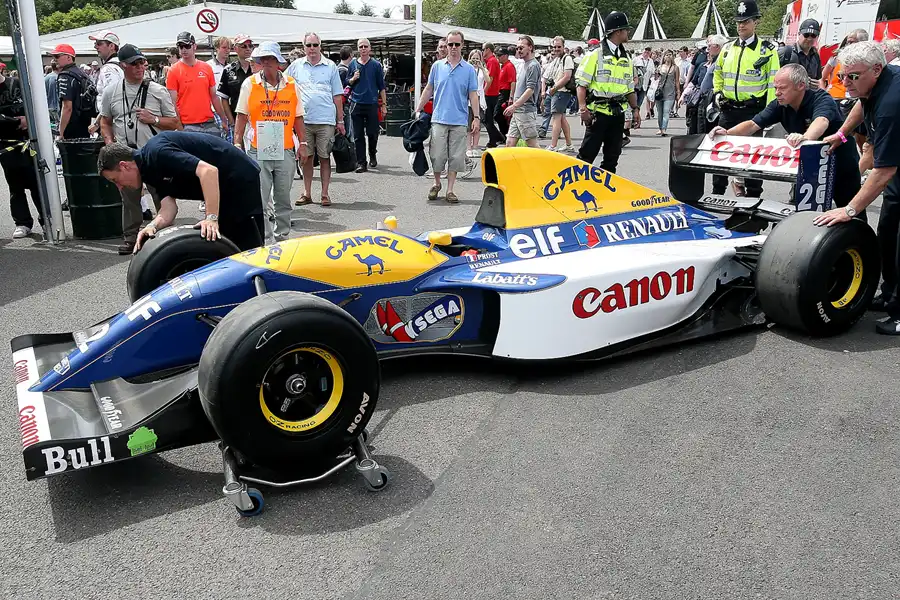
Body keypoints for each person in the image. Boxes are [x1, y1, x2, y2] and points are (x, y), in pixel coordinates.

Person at [813, 42, 900, 334]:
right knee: (887, 233)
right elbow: (862, 105)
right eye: (842, 76)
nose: (846, 83)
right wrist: (841, 133)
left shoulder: (891, 104)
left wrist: (849, 209)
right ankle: (891, 296)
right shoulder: (872, 86)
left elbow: (884, 169)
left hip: (895, 169)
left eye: (853, 77)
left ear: (877, 69)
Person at [709, 63, 862, 218]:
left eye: (782, 88)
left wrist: (805, 138)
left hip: (841, 161)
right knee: (808, 214)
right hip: (812, 166)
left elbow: (821, 121)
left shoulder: (821, 98)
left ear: (801, 86)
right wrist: (727, 133)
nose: (777, 93)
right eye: (775, 88)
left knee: (850, 211)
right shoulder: (780, 104)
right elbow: (753, 124)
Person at [98, 132, 265, 252]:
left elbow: (208, 172)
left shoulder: (157, 152)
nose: (119, 187)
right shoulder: (148, 171)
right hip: (224, 189)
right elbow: (169, 209)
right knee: (225, 249)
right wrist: (151, 226)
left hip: (239, 179)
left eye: (115, 180)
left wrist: (211, 218)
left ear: (124, 165)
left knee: (247, 251)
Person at [99, 44, 181, 254]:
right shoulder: (112, 91)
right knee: (129, 197)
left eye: (142, 62)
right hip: (125, 155)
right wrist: (110, 145)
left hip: (152, 155)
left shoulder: (157, 90)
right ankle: (131, 237)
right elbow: (105, 121)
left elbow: (174, 123)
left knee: (160, 195)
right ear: (123, 65)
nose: (140, 67)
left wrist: (153, 119)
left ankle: (165, 236)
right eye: (134, 63)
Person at [234, 41, 307, 243]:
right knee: (261, 198)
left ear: (278, 63)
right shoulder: (250, 84)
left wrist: (303, 143)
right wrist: (237, 143)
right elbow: (241, 115)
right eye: (262, 59)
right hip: (258, 148)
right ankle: (265, 240)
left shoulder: (291, 85)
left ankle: (282, 237)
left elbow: (298, 117)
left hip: (285, 148)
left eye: (270, 59)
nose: (265, 63)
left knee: (283, 197)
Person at [712, 0, 779, 198]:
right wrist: (717, 94)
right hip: (728, 109)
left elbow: (773, 83)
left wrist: (768, 115)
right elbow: (718, 74)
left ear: (755, 22)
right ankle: (717, 193)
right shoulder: (727, 49)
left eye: (746, 21)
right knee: (721, 155)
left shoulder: (767, 51)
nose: (741, 25)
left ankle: (753, 197)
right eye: (739, 21)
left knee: (753, 156)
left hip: (753, 112)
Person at [414, 29, 479, 204]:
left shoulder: (469, 70)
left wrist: (477, 117)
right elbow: (429, 89)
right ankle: (437, 184)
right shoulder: (437, 66)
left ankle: (450, 189)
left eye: (457, 44)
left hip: (459, 120)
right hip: (438, 118)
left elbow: (473, 95)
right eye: (450, 44)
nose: (453, 47)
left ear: (462, 45)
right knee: (436, 155)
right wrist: (418, 108)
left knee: (456, 157)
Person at [574, 11, 640, 172]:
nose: (628, 33)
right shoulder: (595, 55)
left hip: (618, 115)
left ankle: (604, 193)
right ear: (617, 32)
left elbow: (629, 88)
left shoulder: (627, 58)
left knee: (612, 158)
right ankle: (575, 191)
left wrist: (635, 109)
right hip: (598, 114)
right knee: (586, 157)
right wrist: (583, 109)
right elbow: (581, 84)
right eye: (626, 29)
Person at [287, 32, 344, 207]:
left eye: (315, 45)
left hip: (326, 119)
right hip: (303, 120)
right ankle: (307, 193)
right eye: (308, 45)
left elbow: (337, 95)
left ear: (320, 46)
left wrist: (340, 120)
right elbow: (284, 88)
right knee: (306, 157)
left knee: (325, 157)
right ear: (303, 47)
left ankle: (325, 194)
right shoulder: (296, 66)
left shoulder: (330, 66)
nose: (312, 49)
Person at [0, 70, 42, 238]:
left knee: (36, 182)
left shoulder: (17, 83)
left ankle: (47, 219)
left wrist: (27, 117)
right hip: (5, 143)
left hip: (27, 141)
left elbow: (35, 104)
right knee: (14, 185)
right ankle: (22, 222)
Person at [167, 31, 230, 139]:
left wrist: (224, 119)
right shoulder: (173, 71)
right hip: (187, 125)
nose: (183, 49)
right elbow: (172, 103)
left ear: (194, 46)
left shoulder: (206, 68)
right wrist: (179, 126)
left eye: (187, 46)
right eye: (180, 46)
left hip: (209, 122)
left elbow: (214, 97)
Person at [346, 38, 387, 172]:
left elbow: (381, 86)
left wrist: (384, 105)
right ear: (358, 49)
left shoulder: (376, 65)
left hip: (371, 103)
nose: (363, 49)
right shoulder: (352, 65)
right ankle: (361, 162)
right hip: (356, 103)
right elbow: (347, 82)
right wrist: (353, 78)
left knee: (372, 133)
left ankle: (372, 153)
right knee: (358, 135)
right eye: (360, 46)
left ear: (369, 48)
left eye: (365, 46)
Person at [503, 35, 541, 148]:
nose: (519, 50)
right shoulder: (524, 64)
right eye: (517, 48)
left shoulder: (533, 66)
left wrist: (514, 106)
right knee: (509, 143)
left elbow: (530, 89)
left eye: (521, 47)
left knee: (532, 144)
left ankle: (545, 165)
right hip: (519, 111)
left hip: (526, 111)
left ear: (530, 47)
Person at [54, 43, 96, 140]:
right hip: (85, 123)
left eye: (57, 56)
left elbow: (67, 107)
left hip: (71, 127)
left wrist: (60, 132)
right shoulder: (82, 74)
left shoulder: (65, 75)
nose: (54, 59)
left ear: (69, 57)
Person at [216, 34, 254, 139]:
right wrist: (231, 122)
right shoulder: (228, 70)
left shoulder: (258, 68)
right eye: (244, 46)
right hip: (237, 120)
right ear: (235, 48)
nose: (248, 49)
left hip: (257, 121)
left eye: (250, 46)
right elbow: (223, 98)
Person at [87, 31, 122, 136]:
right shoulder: (120, 64)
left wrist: (97, 123)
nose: (95, 47)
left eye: (99, 43)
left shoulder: (109, 68)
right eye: (95, 44)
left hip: (114, 123)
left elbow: (111, 99)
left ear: (111, 46)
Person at [544, 36, 575, 152]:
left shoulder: (567, 59)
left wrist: (554, 88)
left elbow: (567, 77)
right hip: (558, 91)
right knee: (561, 118)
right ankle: (569, 144)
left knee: (556, 118)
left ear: (563, 46)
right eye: (554, 47)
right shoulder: (557, 59)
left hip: (561, 92)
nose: (556, 49)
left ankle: (553, 145)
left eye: (558, 47)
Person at [466, 49, 490, 156]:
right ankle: (468, 147)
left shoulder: (483, 70)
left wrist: (481, 67)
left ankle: (475, 146)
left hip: (479, 98)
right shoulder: (467, 68)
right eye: (473, 58)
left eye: (477, 58)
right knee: (467, 124)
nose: (475, 60)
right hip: (467, 99)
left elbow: (488, 80)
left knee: (477, 124)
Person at [482, 43, 504, 148]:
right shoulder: (492, 61)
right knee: (487, 119)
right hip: (492, 93)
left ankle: (494, 139)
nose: (482, 52)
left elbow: (489, 78)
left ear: (488, 49)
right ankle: (496, 137)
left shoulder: (491, 61)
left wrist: (484, 91)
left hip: (490, 93)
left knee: (487, 119)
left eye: (483, 49)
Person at [654, 50, 681, 136]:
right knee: (660, 112)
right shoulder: (660, 67)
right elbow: (655, 79)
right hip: (659, 92)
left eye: (670, 55)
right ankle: (660, 128)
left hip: (670, 92)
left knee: (666, 111)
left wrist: (678, 92)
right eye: (666, 55)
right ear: (664, 57)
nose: (668, 56)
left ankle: (663, 129)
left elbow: (677, 81)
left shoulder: (675, 68)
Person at [494, 46, 517, 137]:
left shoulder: (509, 66)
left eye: (499, 55)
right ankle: (504, 134)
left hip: (505, 92)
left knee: (498, 114)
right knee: (499, 114)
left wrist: (511, 96)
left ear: (506, 55)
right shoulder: (503, 66)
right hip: (501, 92)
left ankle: (505, 133)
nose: (498, 57)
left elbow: (513, 82)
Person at [44, 59, 59, 127]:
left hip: (48, 107)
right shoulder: (55, 77)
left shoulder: (46, 77)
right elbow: (54, 95)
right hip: (54, 108)